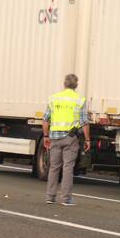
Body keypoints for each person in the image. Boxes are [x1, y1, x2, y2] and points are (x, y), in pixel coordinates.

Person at [43, 73, 90, 206]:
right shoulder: (79, 100)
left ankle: (50, 197)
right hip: (70, 137)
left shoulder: (53, 98)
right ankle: (66, 199)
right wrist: (87, 140)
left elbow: (46, 120)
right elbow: (84, 122)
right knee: (68, 167)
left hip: (54, 137)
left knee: (53, 167)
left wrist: (46, 136)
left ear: (64, 83)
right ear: (76, 85)